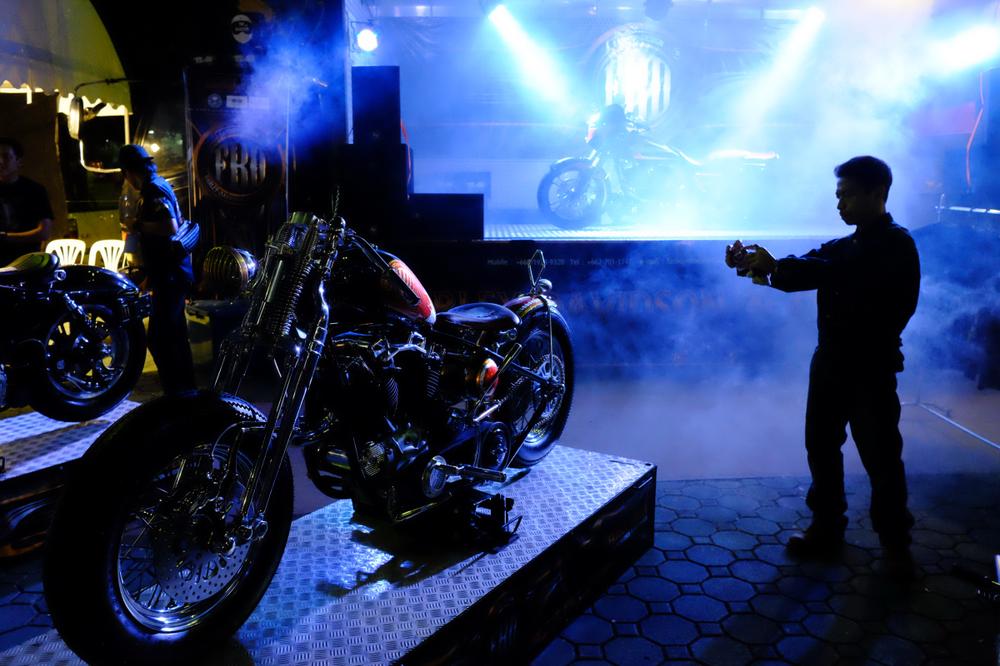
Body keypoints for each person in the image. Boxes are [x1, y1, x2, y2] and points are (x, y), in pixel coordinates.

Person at [725, 155, 921, 578]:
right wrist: (755, 266)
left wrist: (777, 265)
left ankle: (895, 546)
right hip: (831, 361)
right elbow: (805, 271)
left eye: (847, 195)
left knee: (881, 458)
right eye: (838, 196)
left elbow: (833, 271)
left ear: (878, 194)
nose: (839, 205)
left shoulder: (896, 245)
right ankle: (827, 527)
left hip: (870, 368)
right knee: (821, 446)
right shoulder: (844, 246)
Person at [118, 144, 197, 395]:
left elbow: (169, 227)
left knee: (160, 337)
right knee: (175, 335)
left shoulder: (152, 190)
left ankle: (177, 391)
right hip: (172, 273)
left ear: (128, 172)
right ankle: (185, 389)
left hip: (171, 275)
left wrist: (137, 225)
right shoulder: (160, 183)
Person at [0, 137, 54, 265]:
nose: (0, 161)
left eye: (6, 157)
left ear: (18, 161)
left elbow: (44, 232)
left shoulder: (34, 190)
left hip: (27, 263)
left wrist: (5, 237)